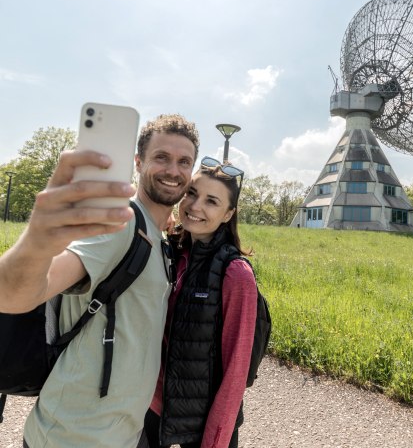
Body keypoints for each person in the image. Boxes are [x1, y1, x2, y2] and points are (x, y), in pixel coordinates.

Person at [0, 114, 199, 448]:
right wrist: (36, 240)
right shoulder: (118, 224)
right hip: (74, 436)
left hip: (121, 434)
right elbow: (15, 296)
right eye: (161, 157)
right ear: (138, 162)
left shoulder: (158, 237)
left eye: (184, 161)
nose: (173, 171)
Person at [144, 156, 257, 448]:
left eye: (211, 201)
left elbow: (235, 372)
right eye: (192, 194)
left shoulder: (236, 274)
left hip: (203, 420)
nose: (195, 207)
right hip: (153, 405)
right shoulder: (170, 253)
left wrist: (215, 440)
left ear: (228, 214)